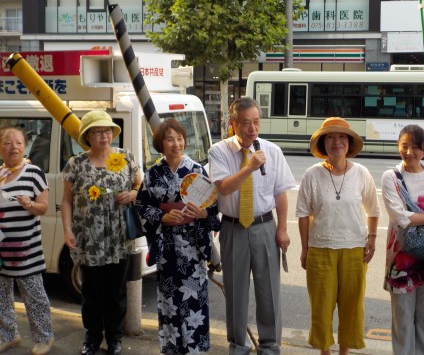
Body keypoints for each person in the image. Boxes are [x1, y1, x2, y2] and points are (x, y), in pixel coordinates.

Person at [208, 97, 295, 355]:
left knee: (269, 289)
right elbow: (223, 186)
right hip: (233, 227)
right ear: (232, 123)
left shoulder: (272, 151)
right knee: (236, 291)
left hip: (264, 225)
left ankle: (269, 346)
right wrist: (249, 167)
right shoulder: (219, 151)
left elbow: (280, 193)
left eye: (256, 122)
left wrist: (282, 229)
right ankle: (238, 345)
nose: (252, 128)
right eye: (246, 123)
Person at [296, 117, 381, 355]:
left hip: (355, 249)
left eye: (342, 137)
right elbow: (302, 214)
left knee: (351, 306)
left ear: (349, 143)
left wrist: (372, 239)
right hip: (320, 249)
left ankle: (344, 350)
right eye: (331, 137)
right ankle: (325, 351)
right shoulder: (312, 175)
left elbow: (374, 209)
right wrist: (304, 249)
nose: (337, 142)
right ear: (323, 143)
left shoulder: (361, 173)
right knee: (321, 306)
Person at [135, 119, 220, 355]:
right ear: (160, 143)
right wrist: (162, 218)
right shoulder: (152, 174)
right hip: (167, 247)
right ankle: (172, 348)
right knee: (169, 301)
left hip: (193, 247)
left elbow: (214, 207)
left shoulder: (197, 170)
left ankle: (196, 349)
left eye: (180, 138)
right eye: (170, 139)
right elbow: (142, 204)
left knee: (195, 300)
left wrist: (203, 213)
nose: (176, 143)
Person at [61, 111, 142, 355]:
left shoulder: (125, 158)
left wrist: (132, 194)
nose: (104, 135)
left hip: (118, 236)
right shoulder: (76, 164)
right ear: (87, 136)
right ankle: (92, 337)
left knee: (116, 292)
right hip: (90, 238)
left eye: (107, 130)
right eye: (97, 131)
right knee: (91, 292)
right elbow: (66, 200)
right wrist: (67, 229)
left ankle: (114, 338)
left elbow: (140, 185)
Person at [380, 125, 424, 355]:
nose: (409, 153)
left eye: (415, 147)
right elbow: (399, 216)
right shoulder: (391, 177)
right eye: (404, 146)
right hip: (402, 258)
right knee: (403, 319)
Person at [0, 127, 54, 355]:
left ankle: (44, 338)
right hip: (2, 250)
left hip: (26, 250)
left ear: (25, 146)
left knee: (35, 298)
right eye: (7, 142)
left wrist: (30, 204)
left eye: (18, 143)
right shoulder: (0, 174)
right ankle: (8, 335)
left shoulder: (33, 172)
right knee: (1, 297)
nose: (13, 147)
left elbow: (44, 207)